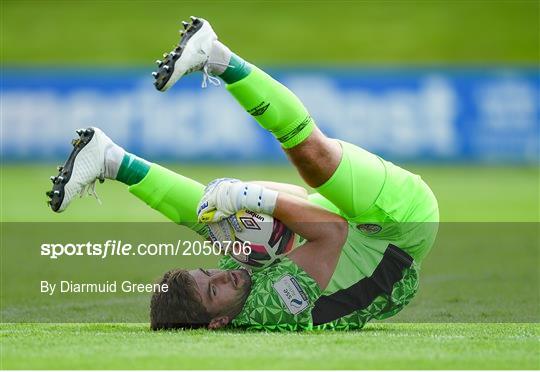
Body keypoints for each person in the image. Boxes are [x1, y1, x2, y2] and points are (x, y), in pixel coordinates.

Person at [46, 17, 439, 331]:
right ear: (219, 322)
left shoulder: (232, 291)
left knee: (215, 218)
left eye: (208, 273)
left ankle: (112, 161)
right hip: (399, 229)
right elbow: (331, 229)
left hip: (356, 233)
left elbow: (289, 204)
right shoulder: (271, 307)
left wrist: (232, 197)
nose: (223, 278)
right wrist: (248, 196)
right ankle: (219, 58)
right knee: (313, 158)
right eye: (213, 291)